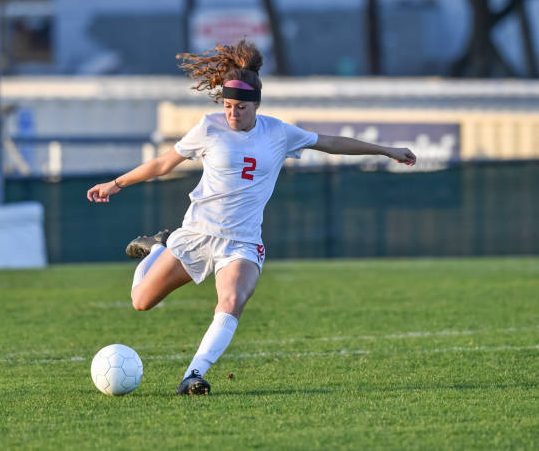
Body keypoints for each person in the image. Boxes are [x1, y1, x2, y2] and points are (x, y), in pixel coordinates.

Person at [87, 39, 416, 395]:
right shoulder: (209, 127)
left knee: (230, 302)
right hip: (197, 234)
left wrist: (386, 149)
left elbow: (332, 143)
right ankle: (156, 249)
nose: (232, 113)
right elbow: (163, 164)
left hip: (242, 242)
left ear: (256, 105)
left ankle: (193, 375)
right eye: (227, 105)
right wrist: (116, 183)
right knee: (141, 301)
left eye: (240, 107)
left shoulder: (278, 132)